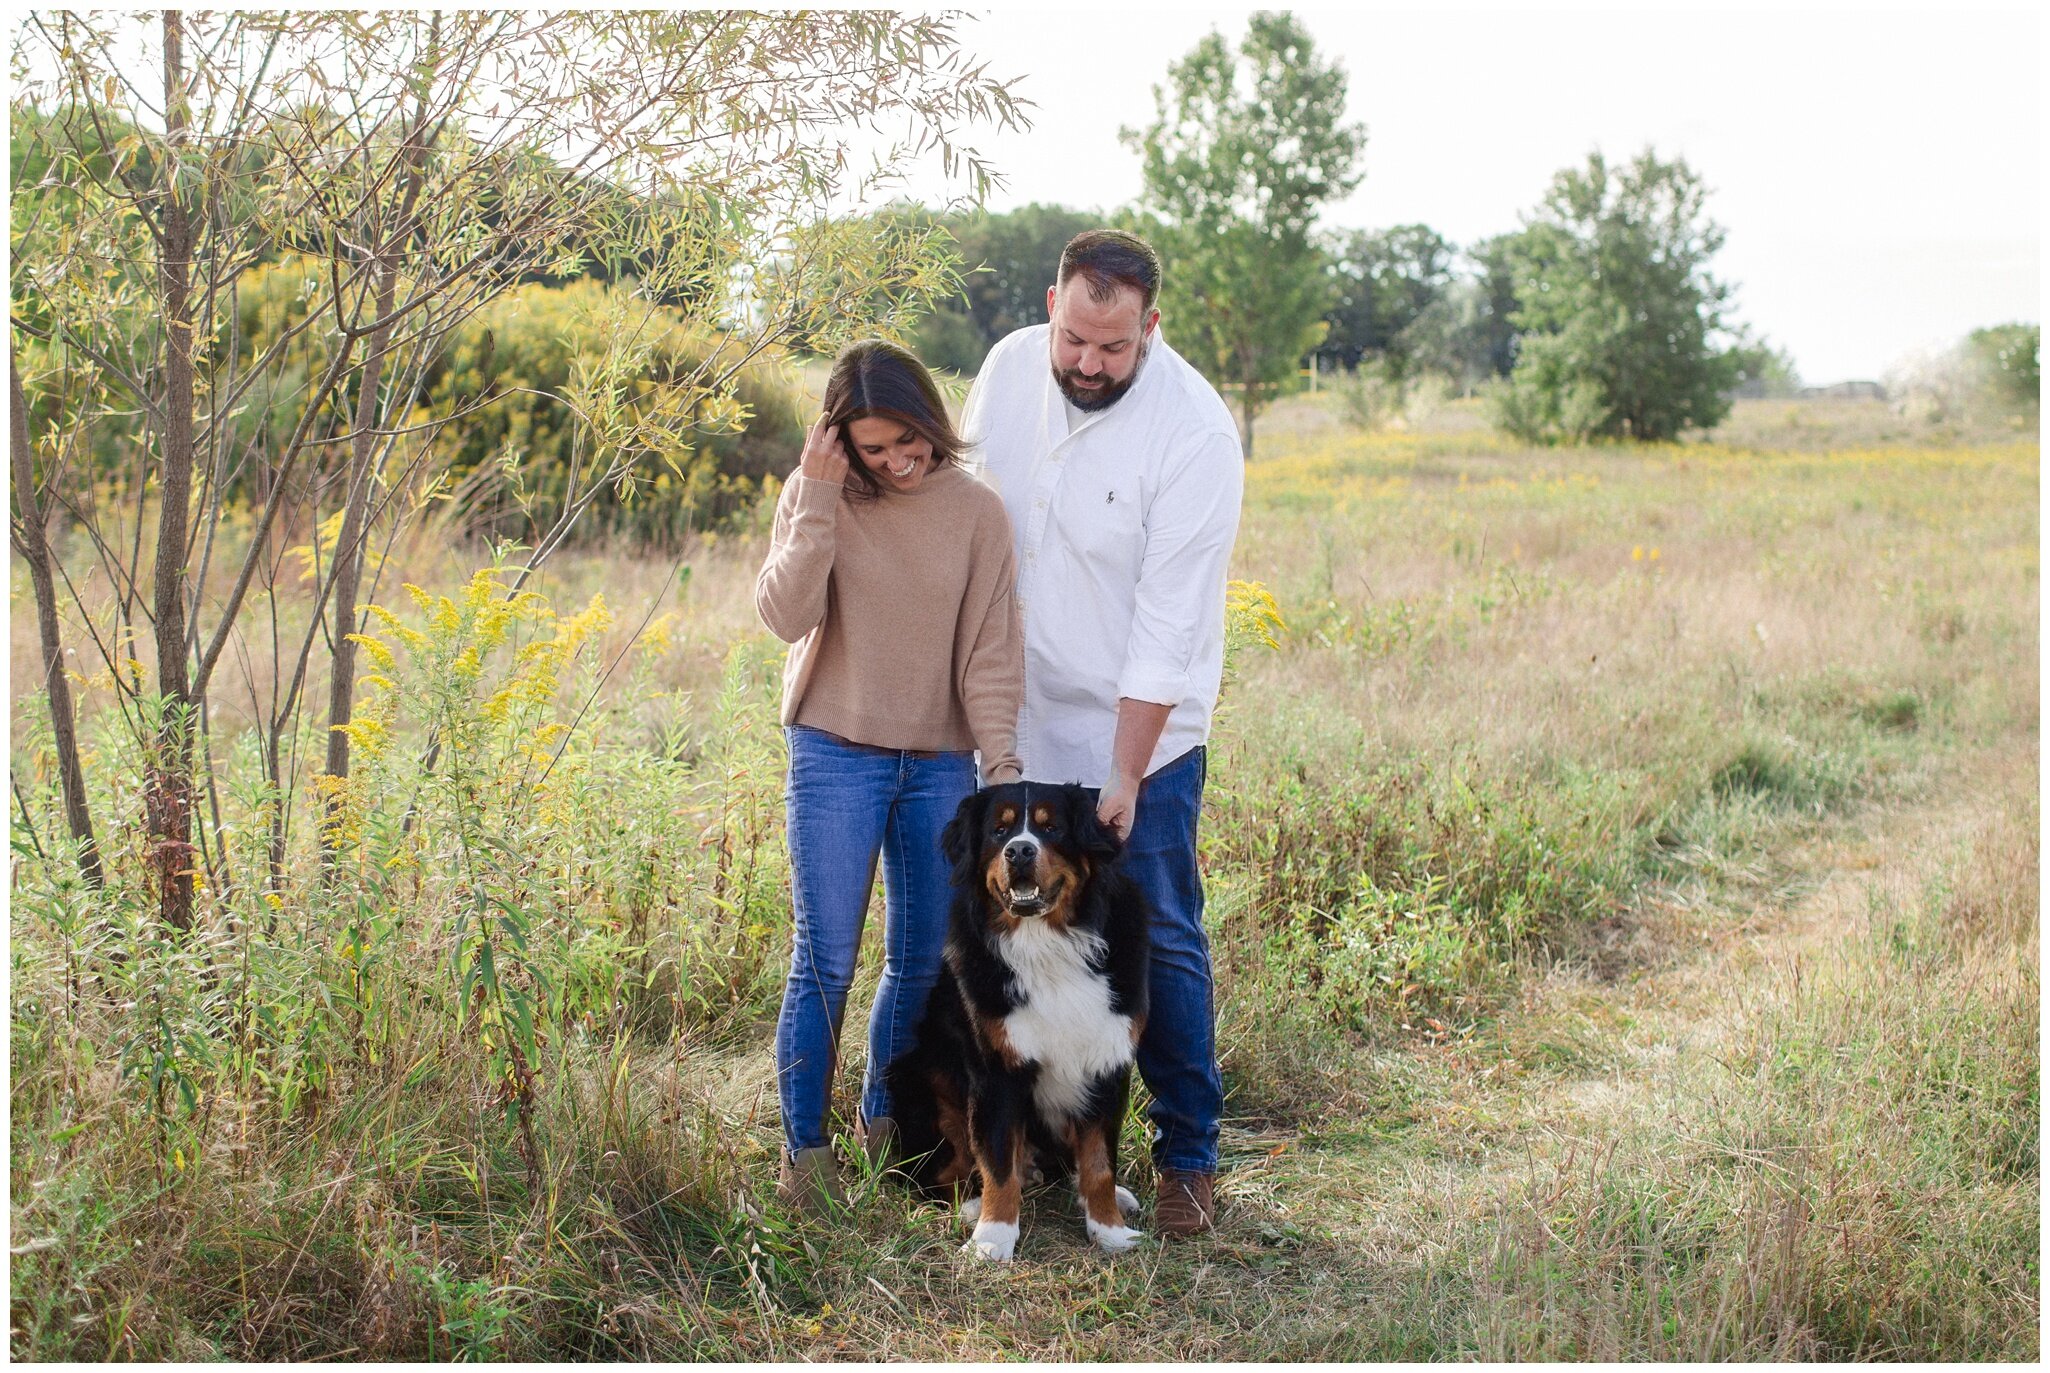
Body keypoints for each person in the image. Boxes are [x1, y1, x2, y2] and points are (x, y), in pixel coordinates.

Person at [960, 229, 1244, 1237]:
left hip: (1141, 732)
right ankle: (981, 1137)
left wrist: (1122, 774)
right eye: (1074, 338)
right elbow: (959, 519)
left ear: (1150, 329)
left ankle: (1188, 1158)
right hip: (1016, 722)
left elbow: (1168, 633)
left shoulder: (1196, 434)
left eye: (1112, 349)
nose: (1087, 364)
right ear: (1051, 305)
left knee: (1156, 932)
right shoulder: (1002, 370)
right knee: (985, 936)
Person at [755, 339, 1023, 1213]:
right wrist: (824, 497)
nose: (901, 459)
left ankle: (882, 1124)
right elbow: (784, 614)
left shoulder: (977, 512)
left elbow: (989, 655)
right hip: (834, 749)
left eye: (911, 438)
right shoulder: (819, 492)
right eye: (877, 448)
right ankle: (805, 1156)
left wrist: (1003, 768)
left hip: (939, 761)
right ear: (841, 441)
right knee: (824, 960)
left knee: (920, 961)